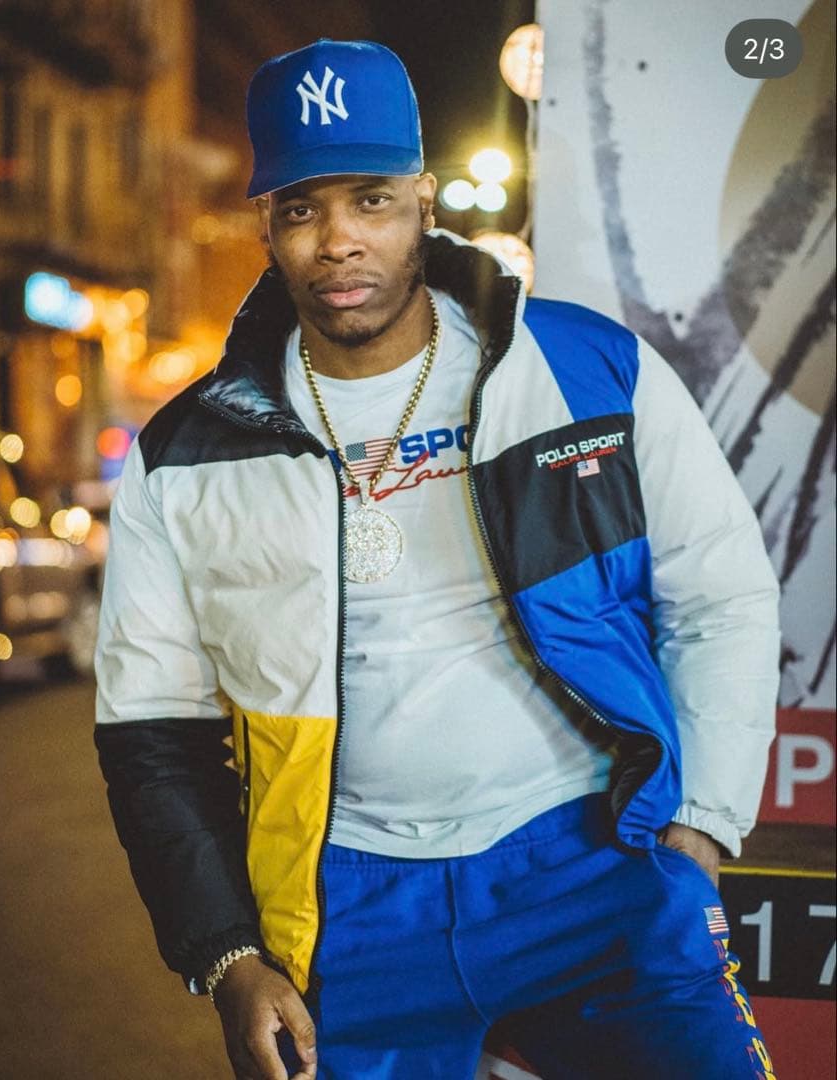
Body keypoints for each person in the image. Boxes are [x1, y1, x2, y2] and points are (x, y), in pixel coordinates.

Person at [94, 38, 781, 1080]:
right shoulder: (184, 453)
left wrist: (700, 827)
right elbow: (151, 731)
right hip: (347, 906)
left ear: (423, 199)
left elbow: (719, 594)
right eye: (300, 208)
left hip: (590, 863)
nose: (337, 241)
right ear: (267, 224)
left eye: (370, 200)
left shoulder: (582, 369)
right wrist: (226, 953)